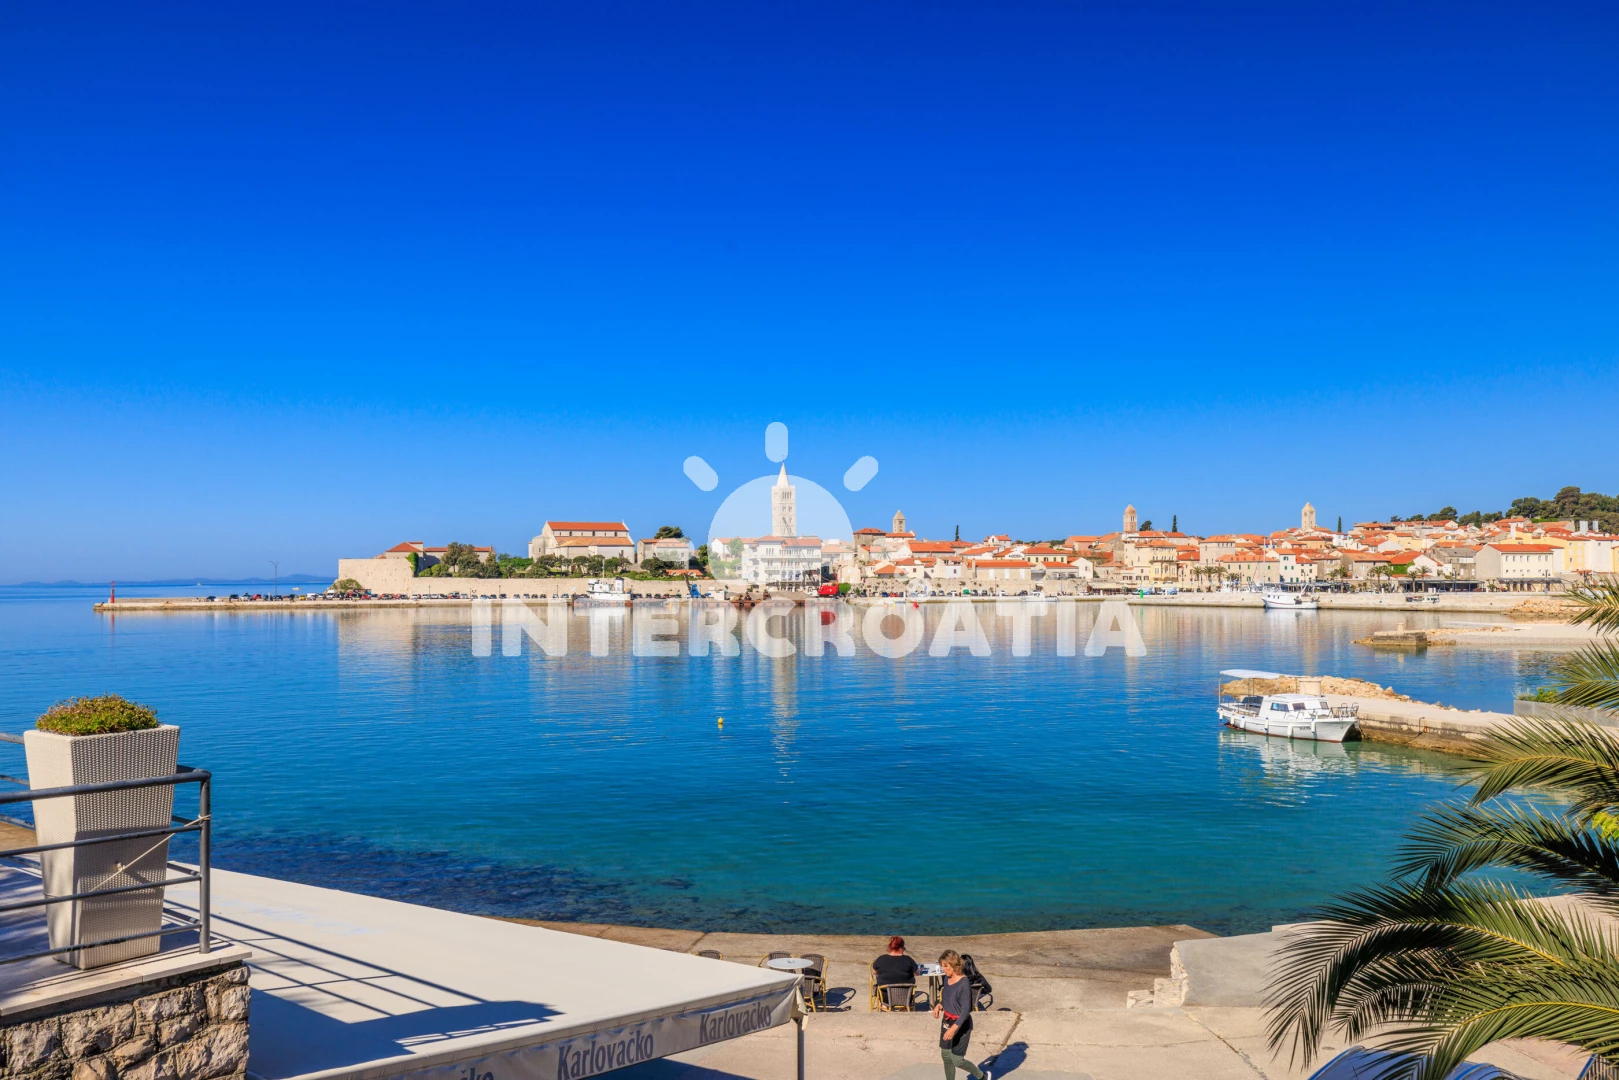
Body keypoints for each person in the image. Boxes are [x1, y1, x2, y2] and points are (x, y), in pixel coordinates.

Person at [933, 950, 989, 1080]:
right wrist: (940, 1005)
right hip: (947, 1021)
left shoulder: (964, 983)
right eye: (942, 966)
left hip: (961, 1024)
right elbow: (947, 998)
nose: (943, 969)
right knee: (946, 1056)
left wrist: (953, 1029)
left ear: (953, 965)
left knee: (957, 1060)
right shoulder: (947, 979)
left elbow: (966, 1010)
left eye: (945, 966)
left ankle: (982, 1077)